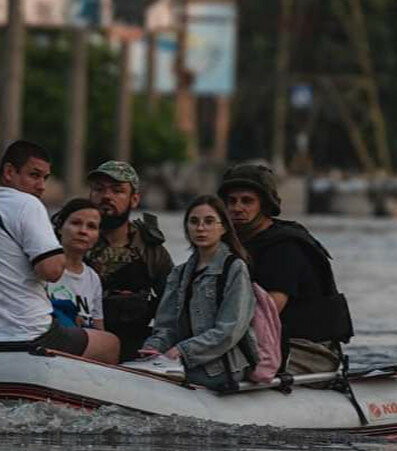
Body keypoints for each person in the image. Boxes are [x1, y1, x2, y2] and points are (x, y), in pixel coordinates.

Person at [0, 140, 119, 364]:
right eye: (34, 175)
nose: (41, 185)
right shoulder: (26, 204)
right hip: (27, 336)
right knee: (110, 344)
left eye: (45, 178)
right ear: (10, 172)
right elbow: (51, 271)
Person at [219, 163, 354, 374]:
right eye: (231, 201)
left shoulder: (284, 248)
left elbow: (269, 311)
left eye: (247, 201)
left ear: (264, 205)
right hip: (255, 341)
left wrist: (214, 338)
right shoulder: (227, 246)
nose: (237, 208)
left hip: (307, 350)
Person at [140, 195, 257, 391]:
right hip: (181, 361)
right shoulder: (179, 273)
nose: (201, 228)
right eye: (194, 222)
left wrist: (182, 351)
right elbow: (166, 326)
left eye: (209, 221)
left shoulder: (235, 268)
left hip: (221, 367)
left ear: (224, 227)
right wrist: (154, 348)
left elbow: (229, 330)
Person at [84, 161, 173, 361]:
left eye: (117, 191)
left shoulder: (152, 252)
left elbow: (172, 306)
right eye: (99, 189)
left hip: (135, 348)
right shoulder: (75, 241)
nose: (107, 196)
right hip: (83, 343)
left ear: (134, 200)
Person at [47, 198, 105, 331]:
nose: (83, 231)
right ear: (60, 227)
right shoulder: (43, 269)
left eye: (91, 226)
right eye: (76, 223)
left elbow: (99, 329)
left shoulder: (93, 278)